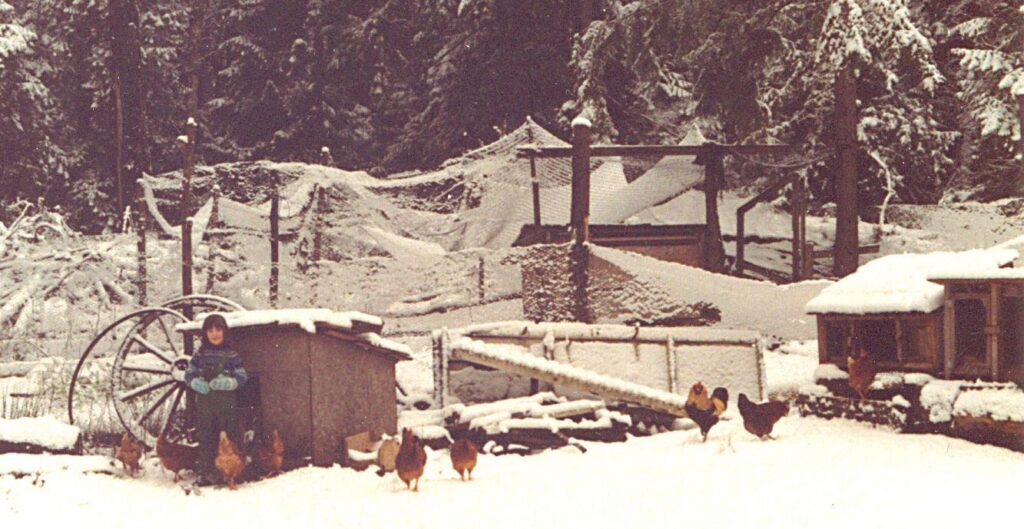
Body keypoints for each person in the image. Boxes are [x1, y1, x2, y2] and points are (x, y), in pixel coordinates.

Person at [184, 314, 248, 485]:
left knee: (231, 437)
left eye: (218, 330)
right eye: (210, 330)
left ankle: (234, 472)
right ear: (205, 334)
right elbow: (188, 374)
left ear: (224, 332)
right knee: (206, 437)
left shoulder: (231, 355)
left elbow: (242, 376)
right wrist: (196, 383)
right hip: (206, 405)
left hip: (227, 405)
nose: (214, 334)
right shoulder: (200, 354)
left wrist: (229, 382)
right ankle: (205, 473)